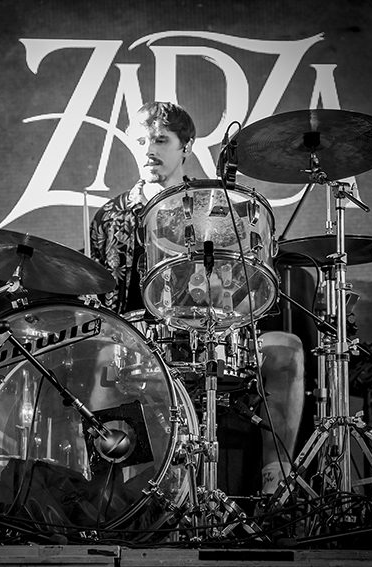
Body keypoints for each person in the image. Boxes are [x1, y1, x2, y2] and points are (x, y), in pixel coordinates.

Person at [90, 101, 305, 497]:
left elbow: (245, 294)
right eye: (141, 141)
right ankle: (110, 496)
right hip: (142, 341)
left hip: (214, 334)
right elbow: (103, 302)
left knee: (286, 349)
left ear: (185, 146)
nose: (149, 150)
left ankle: (276, 483)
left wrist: (227, 302)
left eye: (160, 140)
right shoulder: (111, 215)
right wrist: (119, 334)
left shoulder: (215, 207)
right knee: (104, 356)